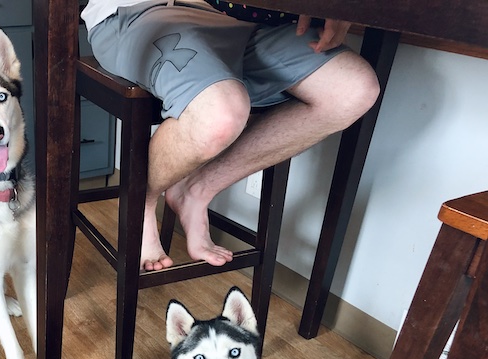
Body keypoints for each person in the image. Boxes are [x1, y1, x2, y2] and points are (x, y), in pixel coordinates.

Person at [81, 0, 380, 271]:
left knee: (353, 91)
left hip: (255, 21)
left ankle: (196, 190)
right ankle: (142, 203)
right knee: (219, 114)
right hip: (145, 10)